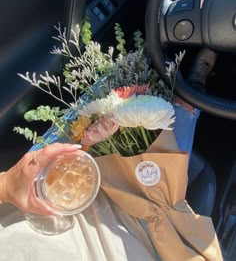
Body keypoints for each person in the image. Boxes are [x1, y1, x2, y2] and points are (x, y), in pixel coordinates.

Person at [0, 48, 217, 260]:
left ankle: (171, 77)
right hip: (152, 235)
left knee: (120, 112)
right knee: (168, 141)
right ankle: (193, 85)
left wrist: (6, 186)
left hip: (69, 186)